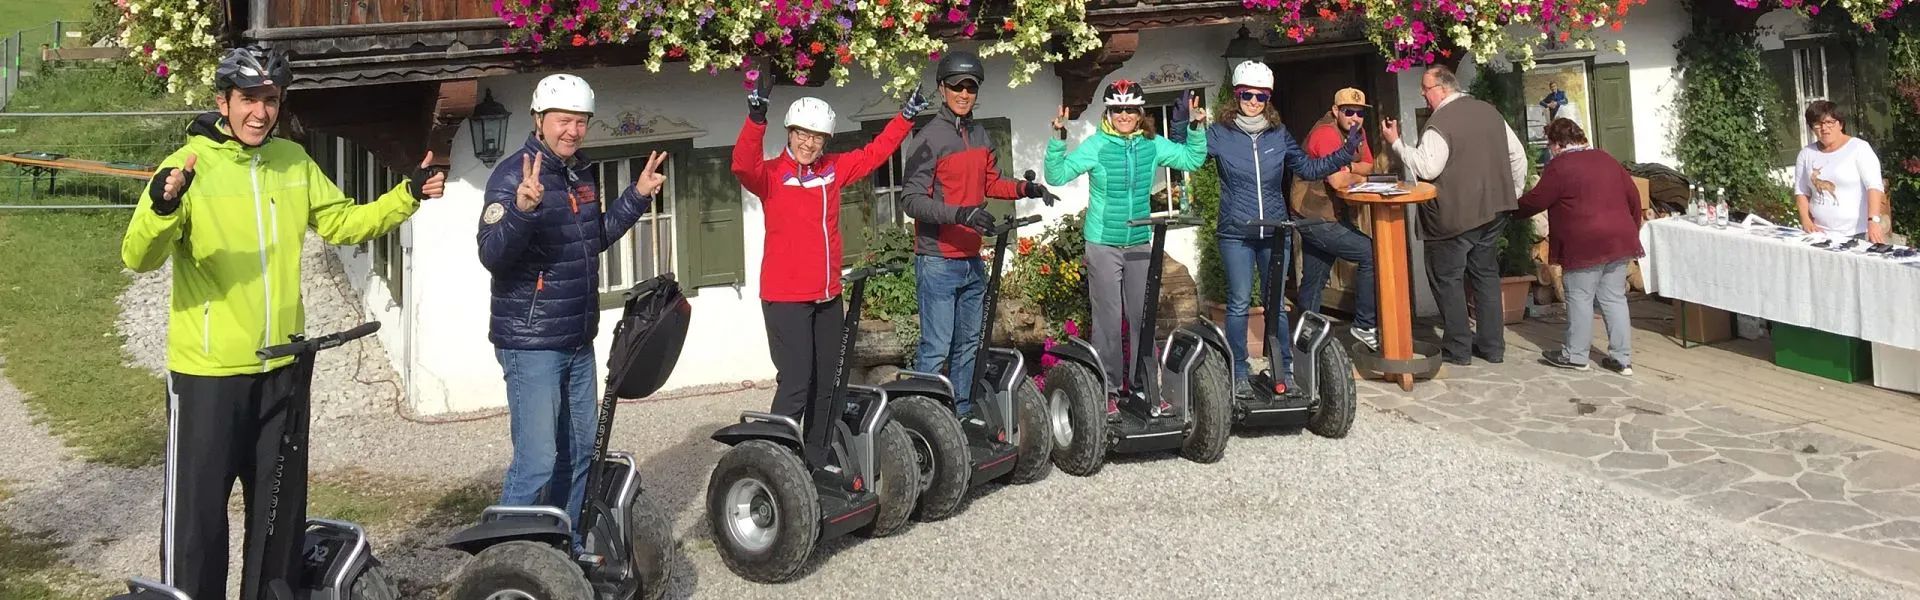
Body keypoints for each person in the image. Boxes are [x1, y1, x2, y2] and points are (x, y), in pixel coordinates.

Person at [121, 45, 445, 600]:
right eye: (249, 99)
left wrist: (406, 195)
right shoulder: (187, 166)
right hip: (209, 374)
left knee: (279, 521)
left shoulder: (293, 162)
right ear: (223, 101)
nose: (260, 112)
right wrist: (161, 207)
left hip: (285, 368)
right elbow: (138, 257)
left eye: (270, 100)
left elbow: (342, 222)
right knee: (198, 523)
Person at [476, 73, 667, 534]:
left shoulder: (580, 171)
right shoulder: (512, 175)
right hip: (532, 342)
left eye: (581, 122)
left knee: (580, 452)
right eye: (564, 120)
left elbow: (593, 237)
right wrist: (522, 211)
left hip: (578, 337)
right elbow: (492, 255)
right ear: (539, 120)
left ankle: (564, 546)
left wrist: (637, 196)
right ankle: (509, 556)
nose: (573, 131)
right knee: (537, 461)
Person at [732, 71, 927, 428]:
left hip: (827, 297)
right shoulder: (772, 176)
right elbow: (743, 165)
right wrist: (756, 120)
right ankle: (779, 461)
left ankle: (818, 459)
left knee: (829, 384)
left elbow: (875, 153)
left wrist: (906, 117)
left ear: (826, 141)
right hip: (786, 298)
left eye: (817, 137)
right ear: (789, 133)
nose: (808, 143)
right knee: (795, 382)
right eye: (803, 134)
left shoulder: (833, 171)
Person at [1045, 80, 1208, 415]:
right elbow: (1056, 175)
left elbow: (1191, 160)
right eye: (1117, 109)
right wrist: (1058, 139)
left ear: (1139, 113)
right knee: (1108, 318)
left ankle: (1142, 385)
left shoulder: (1152, 145)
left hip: (1138, 242)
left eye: (1129, 109)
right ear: (1109, 111)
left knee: (1141, 317)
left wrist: (1194, 127)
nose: (1123, 115)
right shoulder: (1097, 146)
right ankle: (1106, 389)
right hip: (1103, 241)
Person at [900, 50, 1049, 418]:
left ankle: (961, 413)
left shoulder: (980, 134)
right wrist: (961, 213)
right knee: (936, 347)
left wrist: (1026, 190)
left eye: (970, 87)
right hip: (937, 260)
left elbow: (991, 182)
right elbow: (912, 200)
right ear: (942, 89)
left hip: (971, 260)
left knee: (969, 343)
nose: (964, 94)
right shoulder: (928, 138)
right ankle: (925, 421)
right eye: (956, 87)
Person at [1199, 61, 1361, 399]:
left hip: (1275, 229)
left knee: (1276, 304)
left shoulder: (1278, 134)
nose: (1254, 102)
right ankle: (1239, 372)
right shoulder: (1219, 134)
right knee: (1240, 302)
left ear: (1268, 99)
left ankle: (1283, 368)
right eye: (1247, 95)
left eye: (1261, 96)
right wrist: (1185, 124)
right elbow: (1188, 157)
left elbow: (1308, 167)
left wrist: (1345, 152)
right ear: (1236, 95)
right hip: (1237, 231)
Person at [1381, 64, 1527, 366]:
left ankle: (1458, 349)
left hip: (1452, 218)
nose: (1423, 93)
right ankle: (1492, 347)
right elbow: (1518, 156)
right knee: (1485, 277)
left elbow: (1427, 167)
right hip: (1493, 213)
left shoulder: (1441, 121)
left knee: (1447, 279)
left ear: (1443, 89)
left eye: (1426, 88)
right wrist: (1511, 193)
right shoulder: (1489, 112)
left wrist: (1396, 143)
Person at [1513, 119, 1642, 375]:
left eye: (1550, 144)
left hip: (1584, 243)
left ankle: (1576, 355)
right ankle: (1621, 358)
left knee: (1580, 298)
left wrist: (1509, 210)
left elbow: (1537, 200)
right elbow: (1634, 197)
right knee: (1614, 298)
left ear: (1558, 144)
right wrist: (1631, 229)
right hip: (1618, 239)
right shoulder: (1606, 159)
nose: (1550, 149)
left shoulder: (1560, 166)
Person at [1291, 86, 1380, 355]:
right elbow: (1337, 180)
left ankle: (1305, 341)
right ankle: (1365, 325)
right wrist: (1356, 174)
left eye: (1360, 112)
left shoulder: (1357, 132)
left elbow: (1368, 164)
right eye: (1348, 111)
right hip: (1315, 215)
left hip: (1327, 213)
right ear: (1335, 111)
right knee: (1371, 254)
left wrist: (1351, 168)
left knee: (1315, 278)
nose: (1355, 117)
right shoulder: (1325, 134)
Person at [1794, 100, 1891, 243]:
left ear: (1840, 124)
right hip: (1819, 233)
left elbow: (1874, 187)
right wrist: (1805, 220)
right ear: (1811, 128)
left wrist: (1873, 221)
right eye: (1818, 124)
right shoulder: (1806, 154)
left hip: (1856, 233)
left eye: (1829, 122)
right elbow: (1801, 191)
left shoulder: (1859, 148)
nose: (1824, 128)